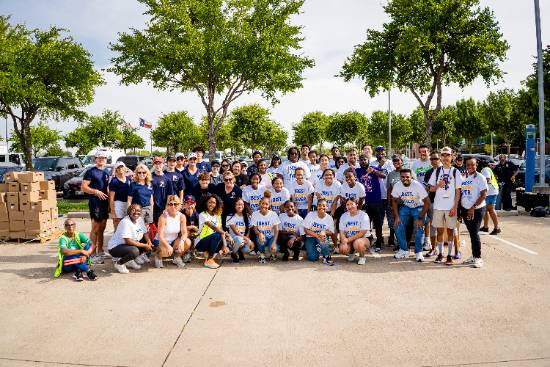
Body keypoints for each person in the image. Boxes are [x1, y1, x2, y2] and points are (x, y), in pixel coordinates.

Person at [428, 147, 463, 266]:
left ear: (452, 157)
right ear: (441, 157)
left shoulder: (455, 172)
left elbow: (458, 191)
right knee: (439, 230)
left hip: (450, 206)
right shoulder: (437, 171)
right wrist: (438, 185)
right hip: (438, 206)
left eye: (447, 155)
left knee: (450, 231)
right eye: (443, 155)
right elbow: (431, 189)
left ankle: (449, 255)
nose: (445, 158)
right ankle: (440, 254)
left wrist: (455, 207)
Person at [391, 169, 430, 262]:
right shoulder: (397, 185)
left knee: (419, 228)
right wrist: (396, 216)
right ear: (400, 177)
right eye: (403, 177)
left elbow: (427, 203)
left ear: (411, 177)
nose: (405, 179)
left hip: (419, 207)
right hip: (407, 207)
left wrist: (420, 218)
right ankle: (404, 250)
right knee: (397, 225)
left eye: (407, 177)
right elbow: (394, 200)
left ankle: (418, 252)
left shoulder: (417, 185)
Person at [81, 150, 110, 264]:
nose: (101, 160)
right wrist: (95, 191)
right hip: (95, 203)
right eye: (99, 158)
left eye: (103, 158)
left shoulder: (107, 171)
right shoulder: (90, 171)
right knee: (95, 228)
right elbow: (84, 187)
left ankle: (100, 251)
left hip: (104, 203)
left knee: (102, 228)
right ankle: (91, 254)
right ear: (95, 159)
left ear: (106, 159)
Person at [108, 204, 154, 274]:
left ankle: (130, 260)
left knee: (147, 239)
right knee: (134, 251)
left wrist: (149, 242)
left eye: (138, 211)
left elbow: (145, 232)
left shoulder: (139, 219)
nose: (136, 212)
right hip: (115, 247)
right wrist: (145, 246)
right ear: (129, 211)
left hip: (127, 245)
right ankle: (119, 264)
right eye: (133, 210)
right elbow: (128, 241)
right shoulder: (125, 222)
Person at [460, 158, 488, 268]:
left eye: (472, 165)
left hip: (477, 209)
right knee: (471, 233)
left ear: (476, 165)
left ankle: (478, 258)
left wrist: (473, 207)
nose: (470, 167)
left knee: (474, 232)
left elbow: (483, 194)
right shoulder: (465, 178)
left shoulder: (480, 177)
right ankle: (474, 255)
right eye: (468, 165)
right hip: (465, 209)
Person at [196, 194, 231, 269]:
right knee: (218, 235)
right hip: (201, 242)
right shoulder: (203, 214)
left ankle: (214, 253)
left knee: (227, 240)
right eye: (210, 202)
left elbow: (221, 230)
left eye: (214, 203)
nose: (212, 204)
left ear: (217, 204)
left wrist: (225, 244)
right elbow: (213, 227)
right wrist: (224, 244)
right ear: (206, 203)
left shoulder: (217, 215)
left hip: (212, 240)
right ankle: (209, 260)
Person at [155, 195, 191, 269]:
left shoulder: (182, 216)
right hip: (161, 241)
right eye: (170, 204)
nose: (173, 206)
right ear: (167, 205)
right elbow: (160, 236)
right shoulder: (163, 217)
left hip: (173, 240)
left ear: (179, 205)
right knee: (165, 252)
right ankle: (158, 257)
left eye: (176, 204)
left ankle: (176, 258)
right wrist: (168, 246)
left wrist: (181, 241)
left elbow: (184, 233)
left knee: (187, 242)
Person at [357, 154, 384, 251]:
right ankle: (367, 241)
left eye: (364, 160)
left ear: (368, 161)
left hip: (376, 201)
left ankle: (379, 243)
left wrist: (374, 171)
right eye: (361, 160)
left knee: (378, 224)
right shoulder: (357, 171)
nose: (363, 161)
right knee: (365, 224)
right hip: (364, 201)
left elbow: (383, 175)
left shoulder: (373, 168)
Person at [370, 146, 395, 247]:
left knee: (391, 219)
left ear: (385, 152)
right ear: (375, 153)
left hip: (389, 196)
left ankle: (392, 239)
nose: (380, 153)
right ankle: (379, 239)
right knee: (378, 220)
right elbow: (373, 175)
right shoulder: (372, 164)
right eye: (378, 151)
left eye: (382, 151)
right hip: (378, 197)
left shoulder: (390, 163)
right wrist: (380, 166)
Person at [338, 198, 371, 265]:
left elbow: (362, 232)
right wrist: (344, 241)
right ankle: (351, 252)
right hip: (349, 239)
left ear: (356, 204)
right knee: (342, 249)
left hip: (363, 238)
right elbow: (341, 231)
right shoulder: (343, 216)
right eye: (347, 204)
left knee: (358, 243)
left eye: (352, 204)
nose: (349, 206)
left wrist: (347, 240)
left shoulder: (363, 215)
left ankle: (362, 257)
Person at [302, 199, 335, 265]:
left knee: (323, 238)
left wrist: (324, 231)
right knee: (312, 258)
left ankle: (326, 256)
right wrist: (317, 236)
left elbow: (331, 232)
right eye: (319, 205)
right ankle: (315, 249)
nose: (321, 207)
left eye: (324, 205)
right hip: (310, 237)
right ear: (317, 206)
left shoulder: (329, 218)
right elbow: (306, 230)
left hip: (322, 237)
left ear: (327, 207)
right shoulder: (311, 215)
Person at [251, 192, 280, 263]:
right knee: (260, 240)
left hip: (271, 237)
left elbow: (276, 230)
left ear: (269, 205)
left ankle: (273, 254)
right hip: (262, 237)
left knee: (274, 248)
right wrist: (259, 234)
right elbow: (255, 229)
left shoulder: (273, 214)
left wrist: (274, 242)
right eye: (262, 203)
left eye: (266, 204)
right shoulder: (255, 214)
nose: (264, 206)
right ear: (259, 204)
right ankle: (262, 253)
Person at [423, 152, 442, 257]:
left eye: (436, 158)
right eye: (432, 159)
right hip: (432, 202)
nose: (433, 160)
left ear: (440, 159)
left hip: (445, 203)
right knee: (433, 226)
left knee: (448, 228)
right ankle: (434, 249)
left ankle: (452, 251)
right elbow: (427, 188)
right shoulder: (429, 172)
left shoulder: (447, 171)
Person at [226, 198, 254, 263]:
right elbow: (236, 232)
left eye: (242, 204)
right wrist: (247, 240)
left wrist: (246, 239)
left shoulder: (247, 216)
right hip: (233, 240)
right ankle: (234, 253)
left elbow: (248, 230)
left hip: (243, 239)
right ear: (234, 205)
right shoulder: (230, 216)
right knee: (239, 239)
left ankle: (240, 251)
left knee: (250, 247)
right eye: (238, 204)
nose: (240, 206)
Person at [109, 161, 131, 231]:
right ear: (116, 170)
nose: (120, 169)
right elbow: (111, 198)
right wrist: (113, 212)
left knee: (127, 225)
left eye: (122, 167)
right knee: (117, 224)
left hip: (128, 204)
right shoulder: (114, 181)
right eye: (118, 167)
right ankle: (116, 241)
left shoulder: (129, 179)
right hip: (118, 204)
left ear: (125, 168)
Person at [480, 164, 500, 235]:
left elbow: (487, 179)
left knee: (491, 209)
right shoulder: (486, 169)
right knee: (485, 210)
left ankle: (497, 227)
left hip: (490, 192)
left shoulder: (485, 169)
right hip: (490, 191)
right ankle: (485, 227)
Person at [151, 156, 171, 225]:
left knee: (163, 227)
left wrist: (167, 207)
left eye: (160, 163)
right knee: (153, 228)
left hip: (163, 208)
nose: (158, 165)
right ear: (153, 165)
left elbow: (169, 195)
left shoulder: (167, 179)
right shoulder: (150, 177)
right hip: (152, 208)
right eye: (156, 163)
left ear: (163, 164)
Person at [181, 195, 200, 263]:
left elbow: (200, 228)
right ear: (184, 204)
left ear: (195, 204)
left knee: (199, 234)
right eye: (187, 203)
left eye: (191, 203)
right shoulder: (181, 214)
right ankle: (184, 252)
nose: (189, 206)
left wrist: (196, 230)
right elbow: (178, 228)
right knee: (187, 232)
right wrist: (191, 227)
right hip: (182, 236)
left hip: (192, 235)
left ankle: (192, 250)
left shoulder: (196, 214)